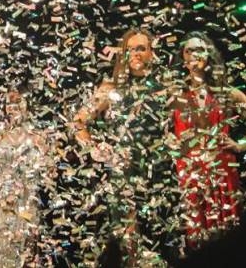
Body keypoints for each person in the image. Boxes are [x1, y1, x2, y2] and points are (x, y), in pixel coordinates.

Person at [72, 28, 179, 267]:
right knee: (128, 239)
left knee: (160, 238)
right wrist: (94, 147)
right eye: (129, 49)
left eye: (141, 48)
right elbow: (78, 122)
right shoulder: (111, 88)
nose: (135, 54)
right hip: (124, 172)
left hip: (159, 171)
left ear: (151, 52)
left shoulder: (165, 86)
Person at [171, 32, 246, 248]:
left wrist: (241, 144)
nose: (194, 54)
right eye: (189, 50)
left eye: (200, 49)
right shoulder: (174, 94)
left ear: (209, 55)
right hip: (190, 173)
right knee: (196, 232)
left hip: (221, 171)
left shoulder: (226, 93)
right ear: (183, 58)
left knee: (227, 232)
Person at [0, 88, 49, 267]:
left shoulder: (38, 137)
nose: (13, 107)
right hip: (3, 204)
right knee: (3, 251)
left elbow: (50, 170)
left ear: (27, 105)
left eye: (18, 102)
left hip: (27, 202)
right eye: (9, 103)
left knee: (27, 252)